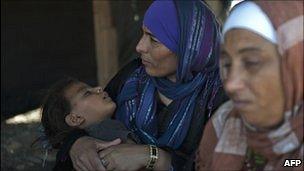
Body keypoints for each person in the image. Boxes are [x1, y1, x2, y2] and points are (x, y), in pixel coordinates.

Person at [57, 1, 228, 170]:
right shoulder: (134, 75)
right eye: (143, 34)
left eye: (154, 40)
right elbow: (76, 117)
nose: (140, 47)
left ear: (189, 48)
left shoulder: (221, 95)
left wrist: (153, 157)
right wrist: (77, 142)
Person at [196, 1, 303, 170]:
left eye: (252, 63)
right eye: (227, 64)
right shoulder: (223, 122)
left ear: (296, 63)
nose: (230, 85)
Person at [40, 77, 142, 169]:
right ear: (75, 119)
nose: (99, 88)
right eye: (87, 93)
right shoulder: (107, 129)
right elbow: (138, 158)